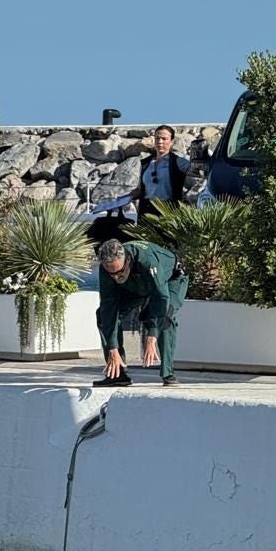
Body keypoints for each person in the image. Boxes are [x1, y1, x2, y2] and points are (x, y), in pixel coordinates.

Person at [93, 237, 188, 387]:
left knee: (164, 319)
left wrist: (152, 336)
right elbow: (108, 306)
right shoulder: (106, 270)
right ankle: (118, 373)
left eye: (120, 271)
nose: (117, 276)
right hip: (137, 284)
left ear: (127, 260)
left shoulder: (147, 260)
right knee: (102, 316)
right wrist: (113, 347)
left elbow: (161, 297)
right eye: (112, 274)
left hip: (170, 280)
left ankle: (168, 373)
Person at [135, 124, 190, 220]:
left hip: (168, 212)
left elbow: (199, 174)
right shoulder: (146, 163)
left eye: (164, 139)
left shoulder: (179, 162)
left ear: (172, 141)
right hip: (146, 211)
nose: (160, 142)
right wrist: (121, 199)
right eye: (157, 138)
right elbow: (141, 190)